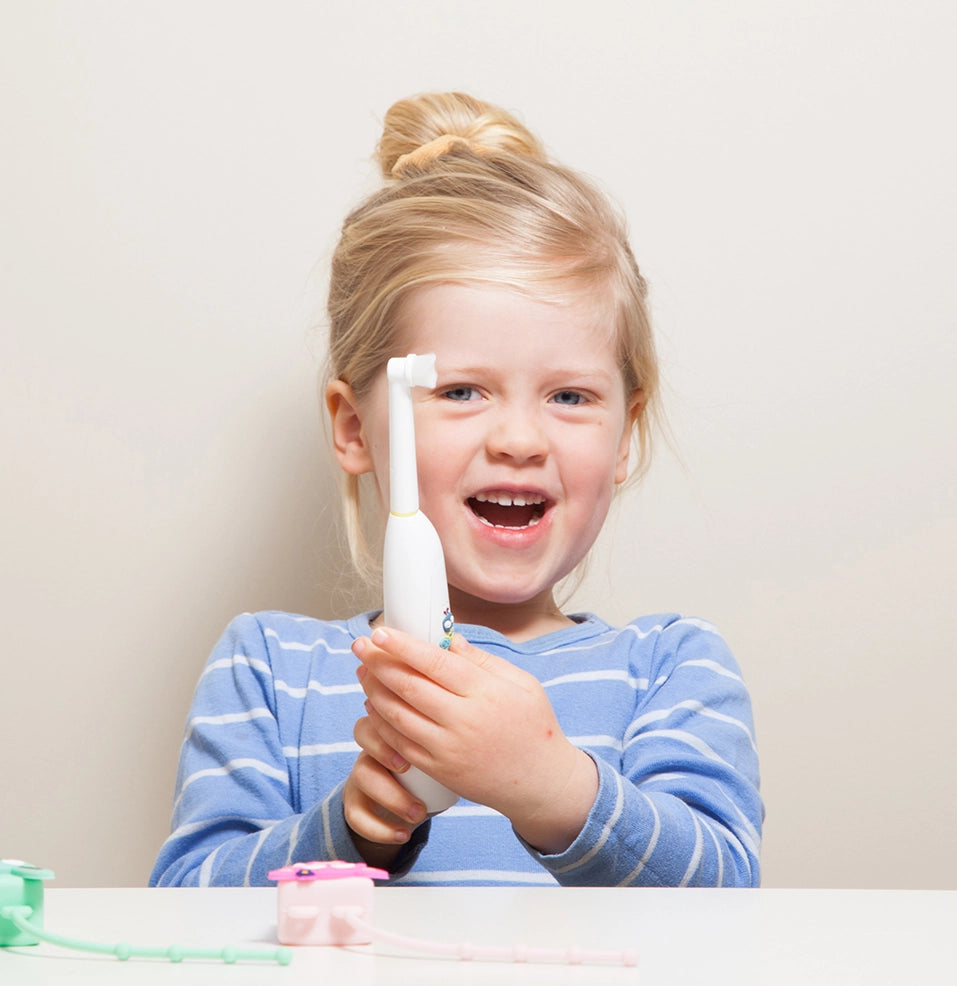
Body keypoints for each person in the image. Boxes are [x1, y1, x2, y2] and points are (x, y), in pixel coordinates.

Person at [150, 92, 762, 888]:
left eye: (569, 397)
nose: (518, 438)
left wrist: (551, 789)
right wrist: (351, 832)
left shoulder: (671, 668)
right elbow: (185, 903)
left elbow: (727, 902)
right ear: (353, 428)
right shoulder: (271, 669)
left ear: (625, 433)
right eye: (462, 391)